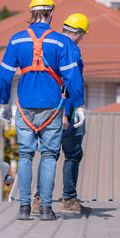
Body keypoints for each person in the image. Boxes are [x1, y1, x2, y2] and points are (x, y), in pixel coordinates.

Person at [0, 0, 85, 221]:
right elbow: (72, 77)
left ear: (32, 12)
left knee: (25, 155)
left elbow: (4, 75)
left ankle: (24, 208)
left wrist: (3, 102)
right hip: (52, 108)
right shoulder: (60, 41)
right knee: (48, 156)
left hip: (24, 106)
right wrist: (80, 105)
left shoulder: (17, 40)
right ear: (52, 13)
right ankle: (46, 208)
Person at [32, 14, 91, 216]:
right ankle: (69, 199)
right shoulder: (71, 49)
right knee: (73, 154)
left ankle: (39, 199)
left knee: (48, 153)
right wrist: (70, 112)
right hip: (68, 109)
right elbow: (68, 84)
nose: (82, 38)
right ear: (77, 32)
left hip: (48, 107)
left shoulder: (52, 43)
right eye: (82, 35)